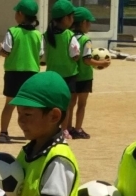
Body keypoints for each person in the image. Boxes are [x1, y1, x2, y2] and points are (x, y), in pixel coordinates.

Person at [0, 0, 42, 143]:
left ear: (20, 14)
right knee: (29, 106)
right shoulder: (37, 34)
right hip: (32, 73)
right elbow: (40, 55)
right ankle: (32, 132)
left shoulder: (13, 31)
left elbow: (6, 51)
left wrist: (0, 48)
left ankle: (3, 133)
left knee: (9, 104)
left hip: (14, 72)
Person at [67, 7, 110, 140]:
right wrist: (101, 63)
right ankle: (78, 128)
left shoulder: (69, 37)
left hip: (73, 75)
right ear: (83, 22)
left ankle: (68, 128)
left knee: (71, 103)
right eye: (89, 22)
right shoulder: (86, 40)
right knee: (82, 104)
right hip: (85, 76)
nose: (90, 25)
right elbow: (87, 59)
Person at [43, 0, 78, 140]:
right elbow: (75, 55)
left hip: (52, 74)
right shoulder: (69, 35)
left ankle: (50, 129)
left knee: (51, 105)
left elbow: (42, 54)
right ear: (65, 18)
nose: (73, 19)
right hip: (68, 74)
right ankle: (64, 130)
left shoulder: (47, 35)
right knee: (66, 105)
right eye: (71, 16)